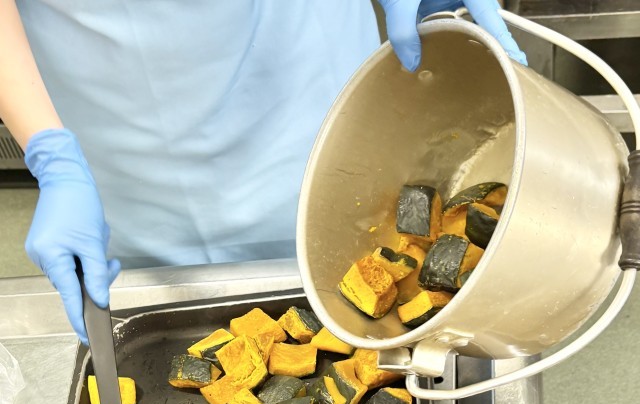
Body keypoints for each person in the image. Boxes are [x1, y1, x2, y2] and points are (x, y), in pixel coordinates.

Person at [0, 0, 525, 342]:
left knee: (367, 249)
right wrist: (51, 154)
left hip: (301, 55)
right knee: (170, 324)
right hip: (116, 111)